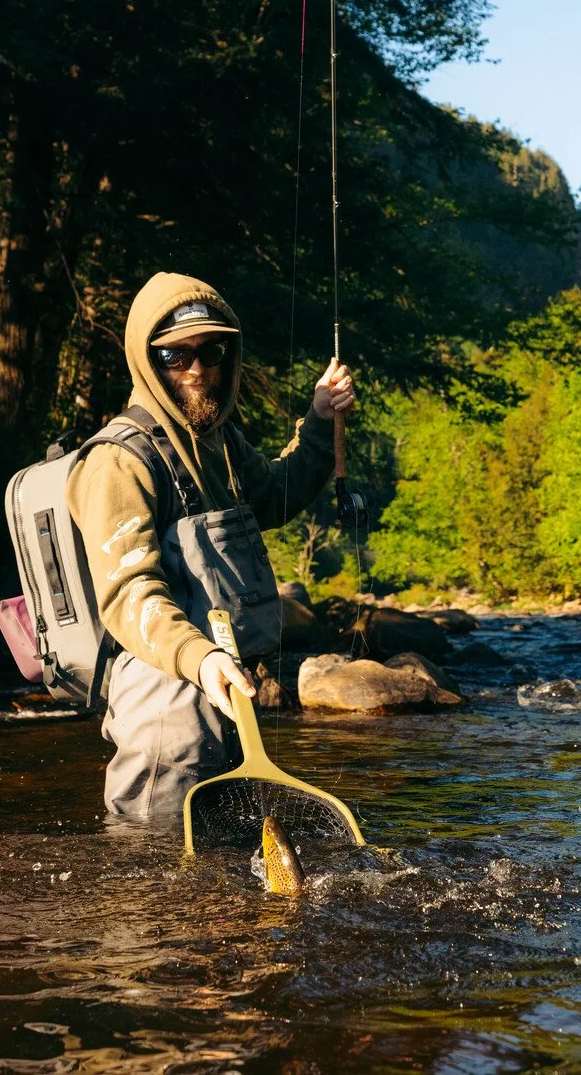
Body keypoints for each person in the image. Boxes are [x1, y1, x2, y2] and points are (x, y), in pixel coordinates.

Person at [67, 271, 356, 819]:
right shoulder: (117, 461)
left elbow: (272, 496)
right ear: (148, 361)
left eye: (212, 351)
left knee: (220, 868)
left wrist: (319, 422)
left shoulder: (217, 441)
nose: (197, 370)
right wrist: (199, 661)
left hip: (222, 676)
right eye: (176, 356)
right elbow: (130, 593)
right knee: (151, 871)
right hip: (162, 688)